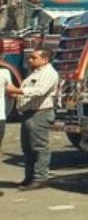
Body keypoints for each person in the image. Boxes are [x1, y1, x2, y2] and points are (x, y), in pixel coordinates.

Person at [6, 47, 59, 190]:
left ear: (45, 59)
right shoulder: (35, 73)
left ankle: (40, 178)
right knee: (27, 148)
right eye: (30, 57)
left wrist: (16, 90)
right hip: (28, 113)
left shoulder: (49, 73)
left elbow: (39, 91)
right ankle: (29, 177)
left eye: (34, 57)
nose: (30, 60)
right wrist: (16, 96)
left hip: (40, 113)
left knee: (39, 147)